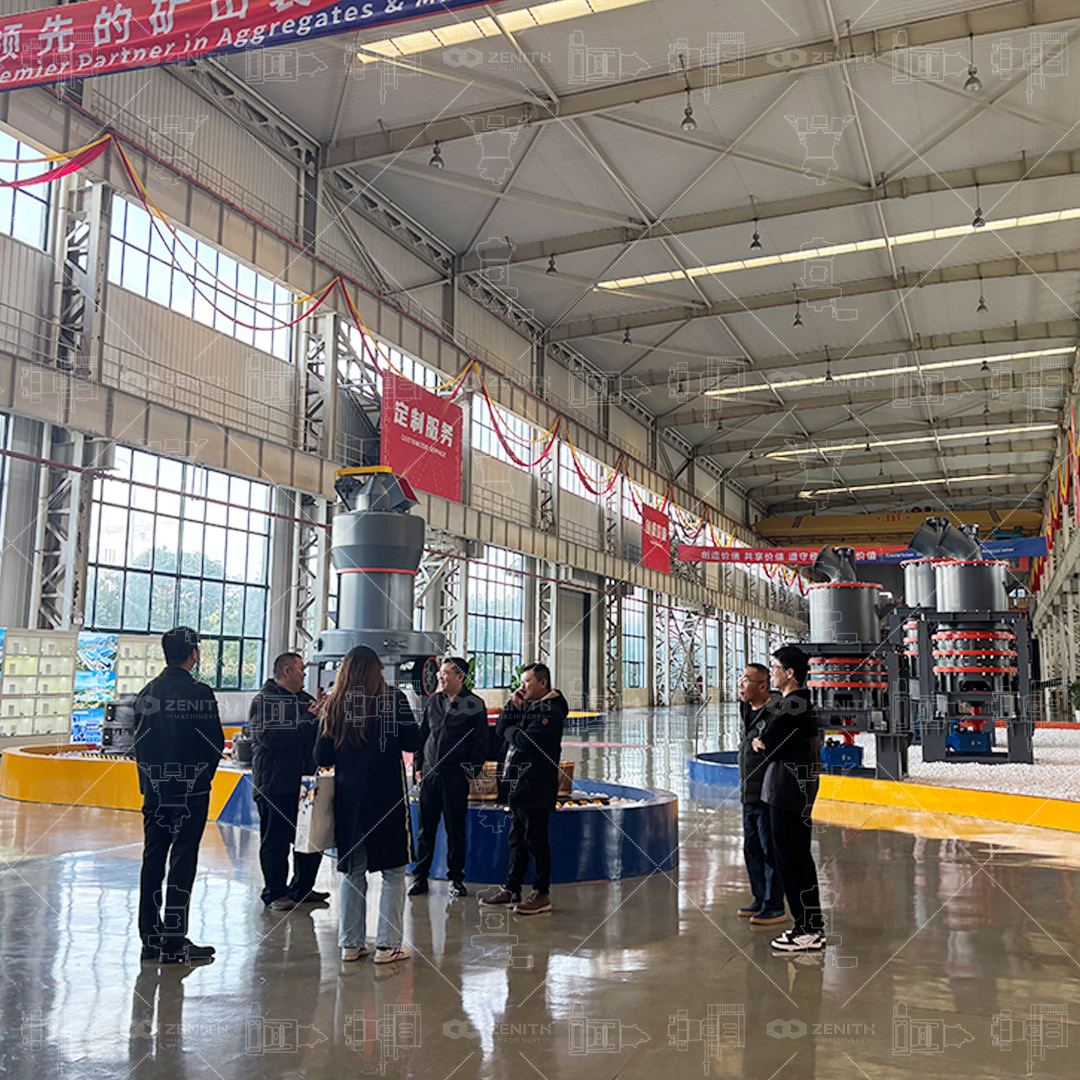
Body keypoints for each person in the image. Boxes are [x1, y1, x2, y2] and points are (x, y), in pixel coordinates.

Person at [313, 646, 421, 964]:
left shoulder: (334, 705)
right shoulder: (393, 701)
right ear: (377, 670)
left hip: (350, 801)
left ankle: (350, 943)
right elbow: (412, 743)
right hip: (387, 799)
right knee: (393, 872)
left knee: (352, 872)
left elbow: (322, 757)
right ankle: (387, 946)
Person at [134, 627, 224, 964]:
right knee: (183, 860)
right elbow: (214, 744)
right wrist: (201, 781)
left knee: (152, 860)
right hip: (191, 793)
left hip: (155, 794)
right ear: (194, 654)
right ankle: (174, 940)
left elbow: (138, 745)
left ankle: (149, 938)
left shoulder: (147, 693)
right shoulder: (199, 693)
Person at [753, 645, 826, 953]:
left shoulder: (794, 704)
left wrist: (763, 742)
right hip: (791, 789)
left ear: (790, 673)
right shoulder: (797, 703)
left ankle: (807, 929)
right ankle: (807, 925)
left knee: (792, 860)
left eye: (776, 668)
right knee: (796, 858)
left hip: (787, 791)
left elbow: (769, 743)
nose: (773, 673)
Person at [479, 663, 568, 915]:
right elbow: (500, 729)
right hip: (516, 785)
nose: (522, 686)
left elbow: (525, 741)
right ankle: (512, 887)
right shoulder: (527, 706)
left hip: (536, 786)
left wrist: (511, 730)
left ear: (543, 683)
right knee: (517, 838)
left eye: (527, 682)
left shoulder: (551, 711)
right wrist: (512, 706)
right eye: (521, 681)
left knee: (535, 839)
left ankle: (541, 892)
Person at [249, 651, 329, 912]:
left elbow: (314, 734)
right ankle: (275, 892)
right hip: (275, 785)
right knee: (276, 841)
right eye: (300, 670)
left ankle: (303, 888)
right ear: (287, 672)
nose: (305, 674)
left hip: (307, 784)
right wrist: (309, 720)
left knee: (311, 839)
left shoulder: (306, 701)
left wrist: (324, 716)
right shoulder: (265, 701)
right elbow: (271, 738)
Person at [409, 657, 488, 898]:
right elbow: (423, 737)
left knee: (456, 830)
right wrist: (419, 767)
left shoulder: (474, 704)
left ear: (460, 677)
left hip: (455, 777)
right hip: (430, 776)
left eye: (445, 673)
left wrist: (469, 772)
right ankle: (420, 877)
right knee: (425, 830)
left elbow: (481, 744)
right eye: (440, 673)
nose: (439, 677)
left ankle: (456, 878)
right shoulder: (434, 701)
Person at [736, 663, 786, 927]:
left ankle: (774, 904)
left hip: (768, 795)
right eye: (741, 679)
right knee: (751, 849)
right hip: (749, 793)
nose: (740, 684)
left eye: (746, 680)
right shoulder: (745, 709)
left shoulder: (777, 712)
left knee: (771, 852)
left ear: (763, 686)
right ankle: (759, 898)